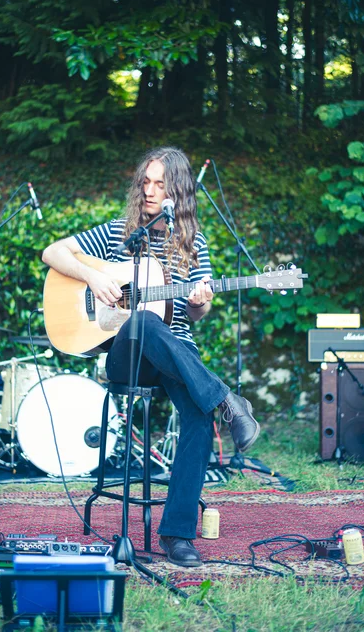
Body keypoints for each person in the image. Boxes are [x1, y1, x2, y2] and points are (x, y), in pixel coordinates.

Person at [42, 146, 259, 567]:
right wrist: (93, 277)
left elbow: (197, 313)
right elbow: (53, 252)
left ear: (178, 191)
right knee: (142, 319)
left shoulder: (194, 243)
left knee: (199, 416)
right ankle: (227, 400)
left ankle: (177, 535)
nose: (149, 190)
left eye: (160, 184)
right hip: (126, 354)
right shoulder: (117, 232)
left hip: (177, 351)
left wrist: (199, 302)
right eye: (145, 182)